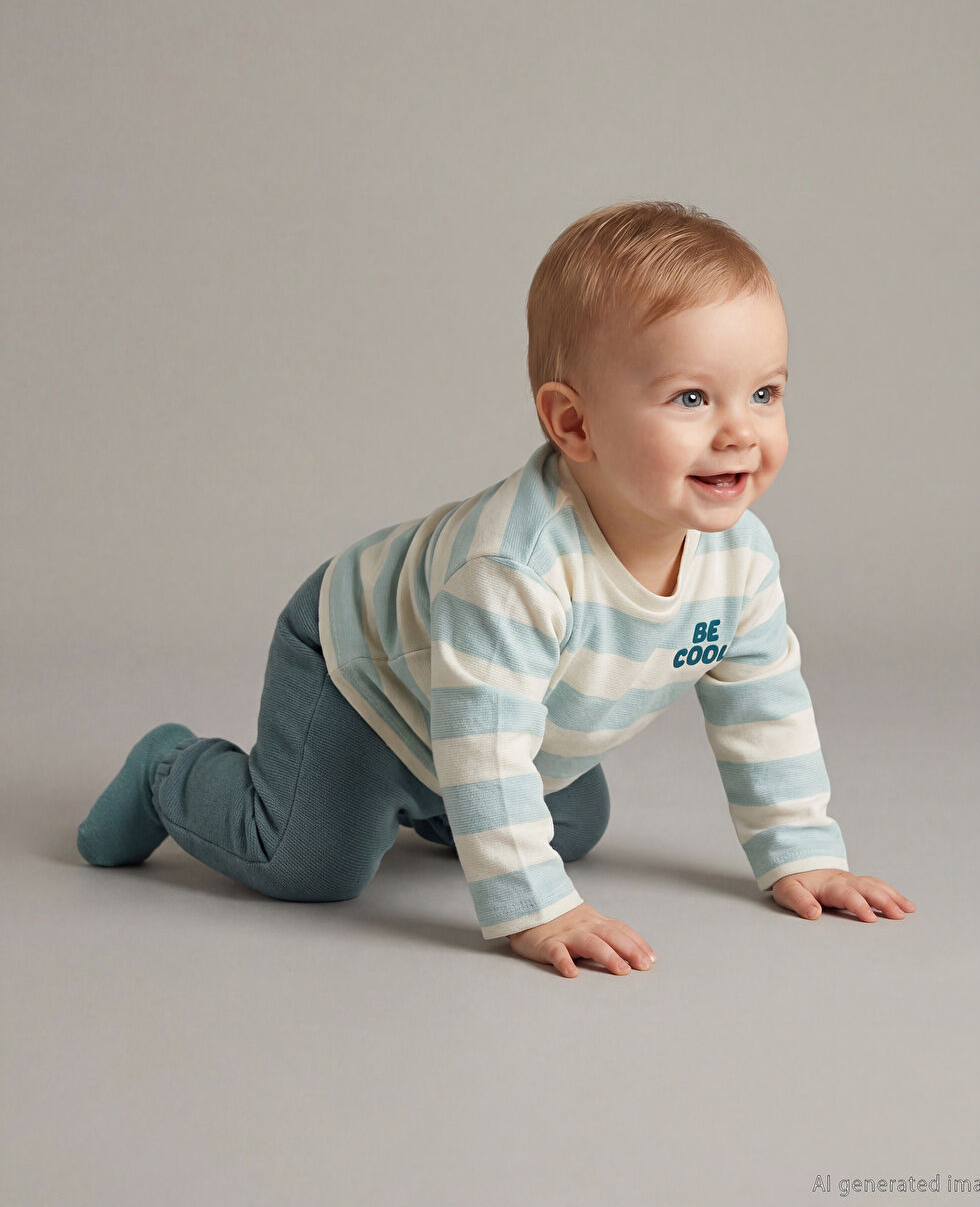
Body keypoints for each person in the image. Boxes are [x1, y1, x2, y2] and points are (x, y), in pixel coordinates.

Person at [76, 199, 915, 979]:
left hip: (492, 708)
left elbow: (765, 707)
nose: (741, 430)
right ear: (574, 424)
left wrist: (802, 851)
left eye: (765, 393)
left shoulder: (743, 561)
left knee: (574, 826)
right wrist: (536, 911)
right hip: (360, 673)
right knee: (311, 864)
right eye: (692, 397)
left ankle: (420, 799)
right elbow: (483, 742)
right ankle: (171, 771)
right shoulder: (515, 570)